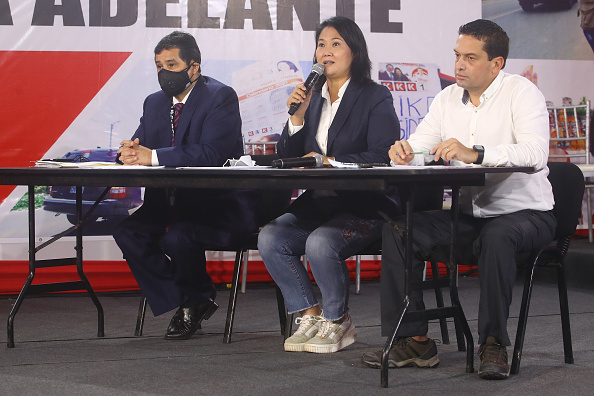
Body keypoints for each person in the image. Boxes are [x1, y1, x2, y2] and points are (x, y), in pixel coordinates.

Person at [361, 19, 556, 380]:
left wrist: (476, 153)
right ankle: (413, 339)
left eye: (470, 57)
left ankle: (493, 342)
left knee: (496, 238)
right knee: (401, 229)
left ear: (496, 64)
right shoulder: (447, 98)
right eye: (456, 56)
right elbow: (422, 144)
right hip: (469, 216)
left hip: (527, 214)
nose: (459, 65)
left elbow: (535, 153)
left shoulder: (521, 92)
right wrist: (406, 153)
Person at [258, 16, 401, 354]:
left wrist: (330, 162)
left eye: (336, 43)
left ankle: (338, 320)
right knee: (271, 237)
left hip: (366, 204)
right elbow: (288, 157)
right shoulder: (313, 97)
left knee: (322, 243)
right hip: (320, 203)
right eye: (321, 44)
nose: (326, 51)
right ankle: (310, 313)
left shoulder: (375, 96)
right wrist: (296, 118)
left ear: (355, 51)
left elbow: (382, 154)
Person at [113, 31, 257, 340]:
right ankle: (192, 297)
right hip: (167, 202)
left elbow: (212, 153)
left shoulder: (220, 96)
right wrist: (126, 153)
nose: (164, 72)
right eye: (158, 65)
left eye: (171, 64)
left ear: (194, 68)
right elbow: (141, 144)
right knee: (128, 232)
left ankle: (194, 300)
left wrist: (151, 156)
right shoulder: (154, 103)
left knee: (178, 237)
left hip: (216, 204)